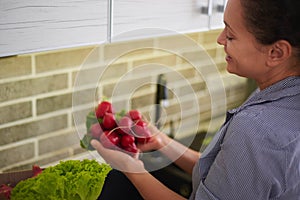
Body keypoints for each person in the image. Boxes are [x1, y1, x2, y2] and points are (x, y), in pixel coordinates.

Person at [91, 0, 300, 199]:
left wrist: (131, 168)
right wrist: (162, 141)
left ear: (276, 52)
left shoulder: (256, 128)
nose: (220, 39)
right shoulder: (282, 100)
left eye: (231, 35)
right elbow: (227, 181)